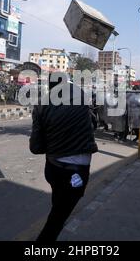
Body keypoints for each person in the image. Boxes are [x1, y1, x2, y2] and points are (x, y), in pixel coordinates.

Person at [30, 75, 98, 242]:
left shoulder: (41, 105)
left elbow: (36, 148)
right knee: (58, 217)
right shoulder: (81, 97)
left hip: (54, 167)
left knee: (58, 208)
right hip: (79, 170)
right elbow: (93, 125)